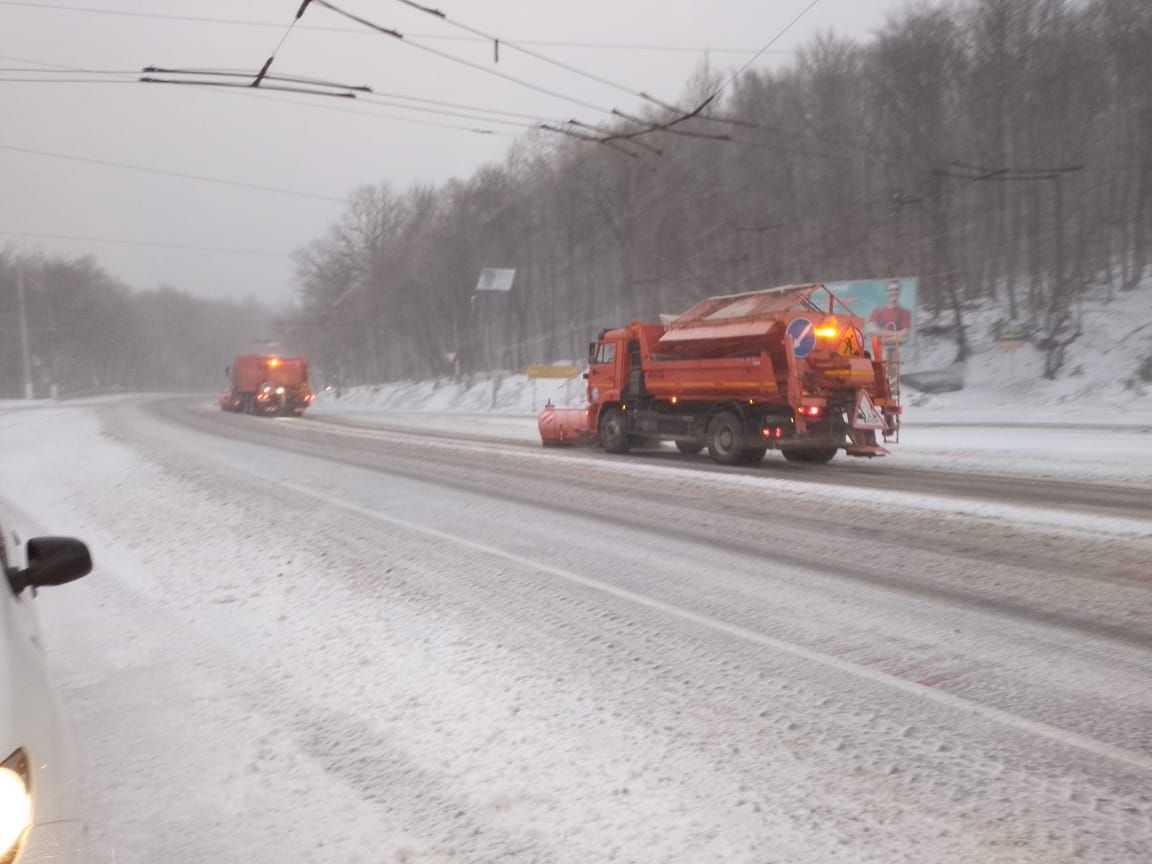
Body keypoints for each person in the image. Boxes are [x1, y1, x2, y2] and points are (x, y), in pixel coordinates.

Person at [865, 280, 912, 362]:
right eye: (890, 290)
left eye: (896, 290)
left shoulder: (905, 312)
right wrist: (896, 334)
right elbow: (870, 330)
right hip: (880, 348)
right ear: (886, 292)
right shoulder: (878, 310)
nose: (893, 292)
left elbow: (905, 335)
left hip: (894, 346)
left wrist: (881, 339)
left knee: (895, 349)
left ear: (899, 292)